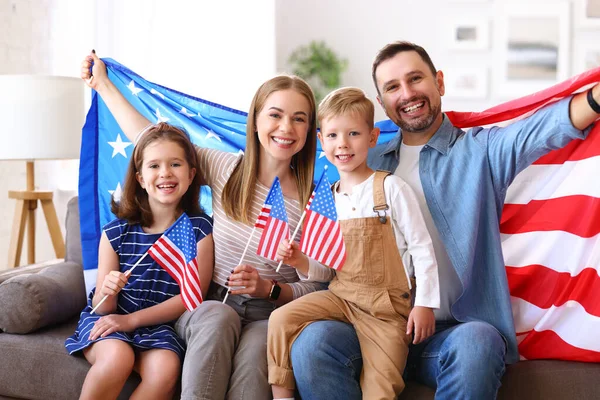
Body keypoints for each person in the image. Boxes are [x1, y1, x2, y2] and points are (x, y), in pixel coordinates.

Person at [291, 41, 600, 399]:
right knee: (312, 342)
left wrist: (594, 99)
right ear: (381, 103)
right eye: (392, 87)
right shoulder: (364, 160)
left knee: (478, 343)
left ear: (439, 82)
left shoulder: (480, 152)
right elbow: (299, 167)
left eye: (415, 79)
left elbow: (542, 129)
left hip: (450, 332)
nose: (407, 94)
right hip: (371, 323)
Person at [80, 51, 334, 400]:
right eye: (275, 115)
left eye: (299, 119)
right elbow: (154, 144)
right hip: (212, 304)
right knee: (217, 316)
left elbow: (319, 284)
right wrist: (104, 85)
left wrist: (269, 289)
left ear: (311, 130)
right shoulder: (226, 168)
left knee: (255, 360)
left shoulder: (316, 202)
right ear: (256, 120)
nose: (286, 128)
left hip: (269, 314)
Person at [267, 87, 440, 400]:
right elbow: (327, 267)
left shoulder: (390, 188)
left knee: (381, 389)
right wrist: (299, 261)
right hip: (342, 297)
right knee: (280, 318)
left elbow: (422, 248)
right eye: (332, 135)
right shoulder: (325, 199)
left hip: (385, 310)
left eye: (353, 134)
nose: (342, 144)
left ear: (372, 138)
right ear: (321, 141)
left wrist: (425, 303)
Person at [65, 123, 214, 400]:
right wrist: (109, 290)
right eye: (154, 166)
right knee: (117, 358)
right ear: (141, 178)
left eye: (175, 164)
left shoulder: (200, 230)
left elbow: (191, 297)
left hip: (159, 327)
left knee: (165, 368)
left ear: (192, 174)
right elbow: (103, 307)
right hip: (110, 319)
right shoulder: (116, 233)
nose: (165, 173)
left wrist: (131, 321)